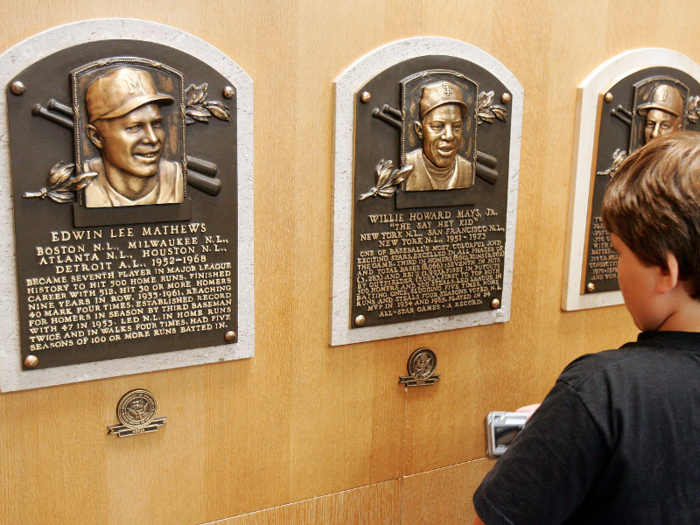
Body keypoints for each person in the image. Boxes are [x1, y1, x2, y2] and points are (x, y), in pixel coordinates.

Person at [473, 132, 700, 524]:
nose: (617, 267)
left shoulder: (602, 391)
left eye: (618, 251)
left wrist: (570, 423)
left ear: (667, 270)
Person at [83, 67, 184, 207]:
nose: (153, 139)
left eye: (156, 124)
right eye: (134, 127)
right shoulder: (79, 182)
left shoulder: (178, 179)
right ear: (96, 137)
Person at [404, 81, 474, 191]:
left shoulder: (468, 170)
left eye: (456, 127)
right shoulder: (405, 168)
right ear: (420, 130)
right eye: (438, 126)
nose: (449, 136)